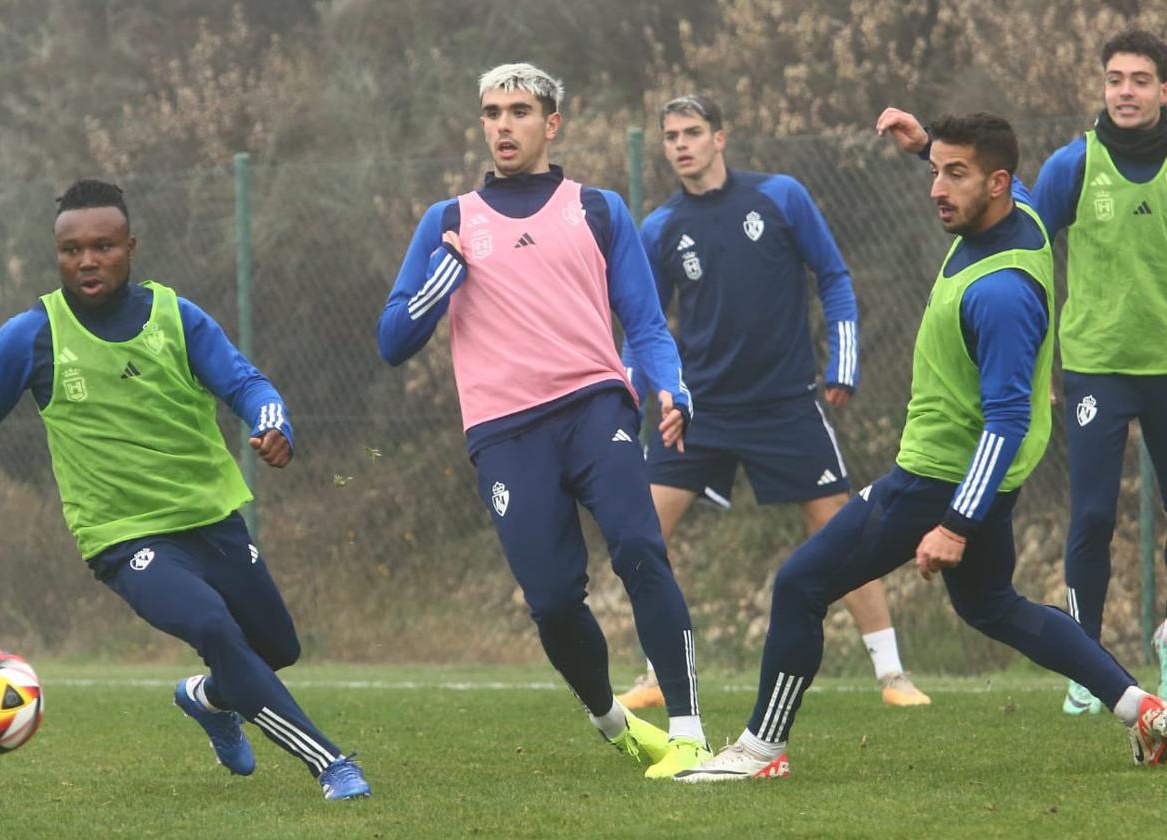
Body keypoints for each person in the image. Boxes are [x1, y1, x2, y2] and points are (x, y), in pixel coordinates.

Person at [675, 110, 1167, 782]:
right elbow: (975, 174)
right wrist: (925, 146)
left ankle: (762, 748)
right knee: (993, 605)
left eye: (953, 174)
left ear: (995, 182)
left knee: (800, 583)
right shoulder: (1013, 212)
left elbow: (1006, 420)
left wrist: (956, 524)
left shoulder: (1000, 293)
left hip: (939, 477)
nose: (937, 187)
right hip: (973, 476)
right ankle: (1142, 707)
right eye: (935, 171)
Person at [0, 180, 371, 801]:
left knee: (276, 649)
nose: (87, 260)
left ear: (130, 247)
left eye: (103, 246)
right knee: (213, 625)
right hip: (123, 535)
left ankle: (207, 699)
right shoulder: (32, 336)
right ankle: (331, 763)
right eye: (72, 250)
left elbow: (247, 385)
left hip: (211, 519)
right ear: (57, 254)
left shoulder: (176, 317)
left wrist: (273, 423)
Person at [378, 62, 711, 779]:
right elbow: (391, 342)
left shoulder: (597, 209)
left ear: (551, 123)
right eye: (492, 112)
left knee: (639, 549)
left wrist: (669, 386)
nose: (503, 124)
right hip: (503, 432)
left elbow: (646, 323)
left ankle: (690, 732)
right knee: (555, 601)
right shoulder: (448, 223)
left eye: (519, 111)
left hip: (596, 405)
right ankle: (612, 719)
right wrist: (445, 279)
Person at [616, 94, 928, 710]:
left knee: (841, 528)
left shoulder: (780, 196)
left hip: (785, 403)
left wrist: (844, 362)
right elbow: (643, 322)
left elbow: (833, 277)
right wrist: (643, 386)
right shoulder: (659, 227)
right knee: (642, 532)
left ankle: (892, 674)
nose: (681, 143)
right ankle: (657, 672)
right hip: (699, 410)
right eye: (672, 134)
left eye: (693, 131)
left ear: (720, 137)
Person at [1031, 30, 1167, 715]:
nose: (1125, 91)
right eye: (1115, 78)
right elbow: (1022, 240)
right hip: (1095, 369)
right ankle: (1086, 662)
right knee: (1091, 516)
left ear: (1163, 91)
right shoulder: (1073, 166)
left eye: (1140, 79)